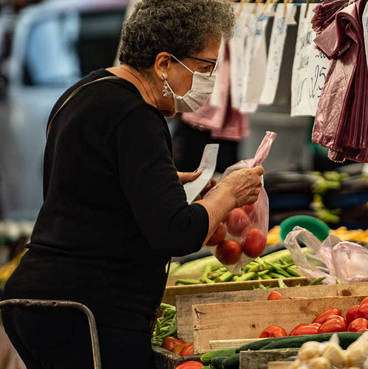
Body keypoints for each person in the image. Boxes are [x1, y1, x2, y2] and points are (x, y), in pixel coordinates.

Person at [0, 1, 262, 368]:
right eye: (204, 68)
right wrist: (227, 193)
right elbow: (176, 234)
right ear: (163, 64)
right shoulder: (137, 117)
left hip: (40, 301)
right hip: (86, 311)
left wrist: (163, 184)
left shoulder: (85, 93)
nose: (210, 81)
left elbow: (88, 189)